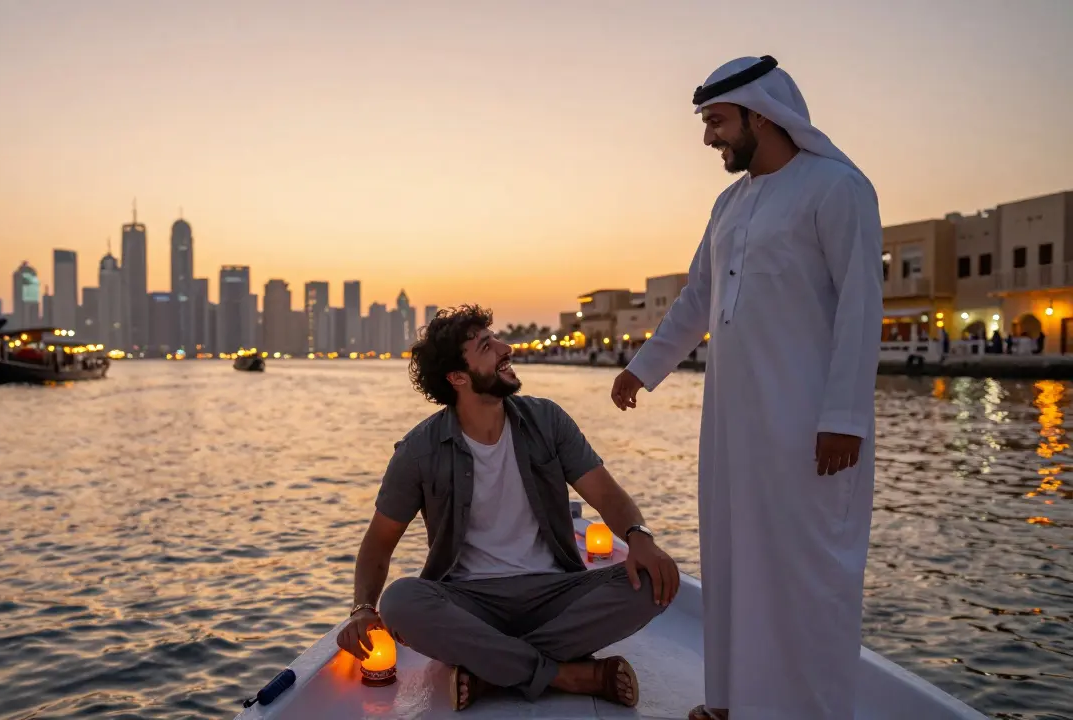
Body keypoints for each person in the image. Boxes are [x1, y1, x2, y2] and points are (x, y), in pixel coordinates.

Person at [610, 56, 883, 719]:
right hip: (733, 429)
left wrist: (843, 416)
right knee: (735, 565)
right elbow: (698, 299)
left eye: (717, 122)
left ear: (762, 114)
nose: (709, 138)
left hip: (811, 430)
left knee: (807, 575)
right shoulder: (729, 204)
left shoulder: (837, 188)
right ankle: (735, 703)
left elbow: (859, 305)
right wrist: (643, 367)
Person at [338, 304, 678, 712]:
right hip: (469, 602)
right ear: (458, 377)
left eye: (495, 337)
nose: (506, 348)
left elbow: (606, 495)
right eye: (487, 345)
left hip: (555, 592)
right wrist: (362, 609)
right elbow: (378, 544)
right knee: (399, 603)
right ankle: (564, 674)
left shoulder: (547, 421)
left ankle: (491, 672)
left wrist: (639, 538)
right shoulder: (418, 451)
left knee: (656, 583)